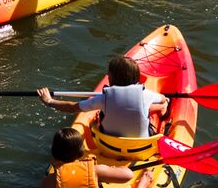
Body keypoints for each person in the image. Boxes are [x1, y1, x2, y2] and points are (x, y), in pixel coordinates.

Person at [29, 126, 152, 188]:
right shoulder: (95, 170)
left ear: (54, 152)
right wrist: (111, 168)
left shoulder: (50, 180)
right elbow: (128, 175)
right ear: (80, 152)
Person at [37, 55, 168, 138]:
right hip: (140, 145)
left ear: (110, 78)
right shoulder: (145, 94)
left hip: (108, 144)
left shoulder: (103, 98)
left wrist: (49, 101)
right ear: (137, 78)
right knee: (149, 107)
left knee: (103, 113)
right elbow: (162, 97)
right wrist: (165, 101)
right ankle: (161, 108)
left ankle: (157, 108)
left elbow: (72, 107)